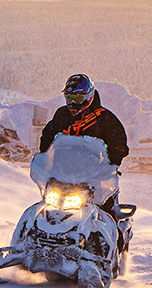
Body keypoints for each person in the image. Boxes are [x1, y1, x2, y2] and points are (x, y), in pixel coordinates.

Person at [39, 73, 130, 219]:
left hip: (93, 178)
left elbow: (119, 144)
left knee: (106, 211)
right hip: (62, 174)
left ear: (89, 96)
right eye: (69, 98)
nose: (73, 103)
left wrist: (111, 165)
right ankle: (25, 235)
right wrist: (44, 157)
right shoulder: (62, 114)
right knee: (44, 208)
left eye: (78, 98)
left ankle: (115, 238)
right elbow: (48, 135)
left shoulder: (105, 118)